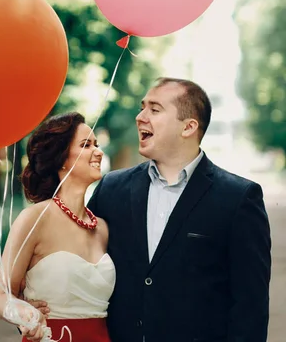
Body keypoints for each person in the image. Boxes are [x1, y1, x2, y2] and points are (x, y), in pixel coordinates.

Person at [88, 77, 272, 342]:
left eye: (155, 109)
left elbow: (250, 307)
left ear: (188, 127)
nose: (140, 117)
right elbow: (77, 260)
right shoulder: (111, 189)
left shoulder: (239, 198)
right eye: (142, 107)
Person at [0, 111, 115, 342]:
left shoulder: (102, 228)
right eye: (86, 145)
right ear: (61, 157)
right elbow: (1, 297)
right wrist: (26, 315)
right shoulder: (34, 219)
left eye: (96, 144)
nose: (98, 152)